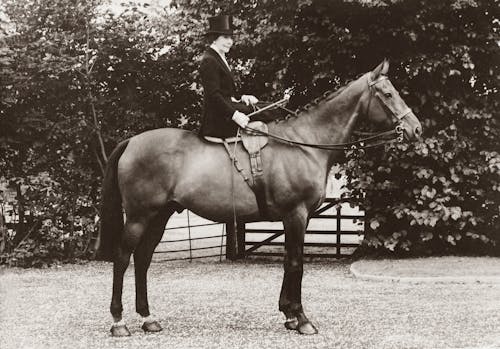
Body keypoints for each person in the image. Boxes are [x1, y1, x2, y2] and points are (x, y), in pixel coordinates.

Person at [198, 15, 261, 139]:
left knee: (268, 108)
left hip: (227, 109)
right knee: (267, 113)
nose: (230, 42)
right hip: (218, 118)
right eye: (225, 37)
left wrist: (242, 97)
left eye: (231, 38)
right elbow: (213, 96)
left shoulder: (219, 57)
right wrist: (235, 115)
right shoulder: (209, 60)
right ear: (214, 39)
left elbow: (226, 92)